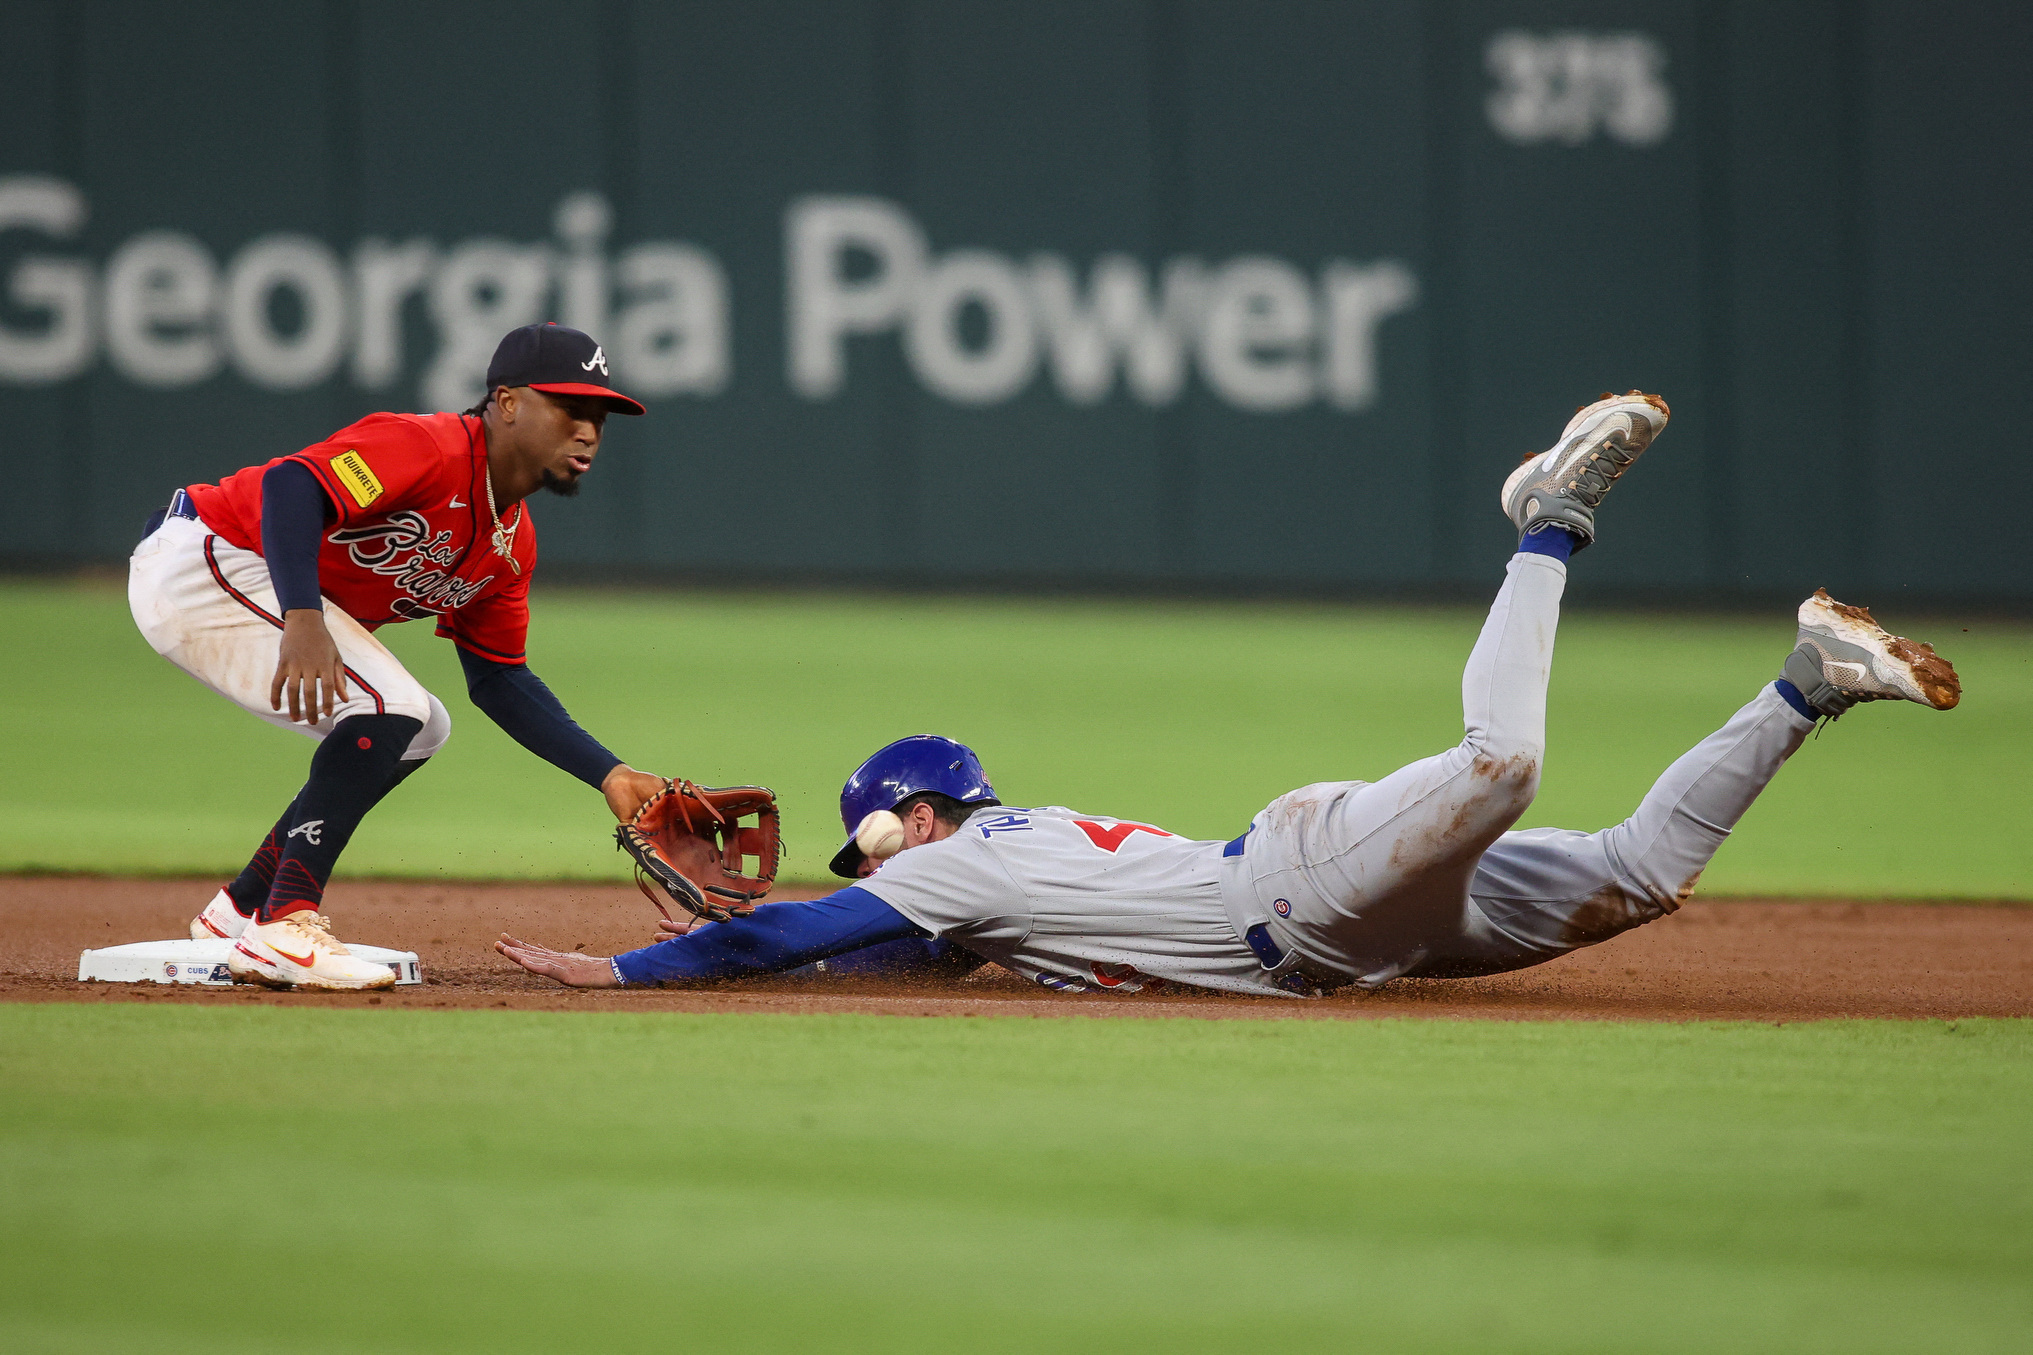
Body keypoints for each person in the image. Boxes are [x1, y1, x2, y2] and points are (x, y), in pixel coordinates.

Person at [498, 392, 1961, 997]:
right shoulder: (987, 895)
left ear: (913, 813)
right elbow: (863, 956)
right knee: (1637, 874)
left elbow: (839, 926)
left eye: (870, 835)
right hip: (1351, 931)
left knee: (1501, 761)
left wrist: (627, 970)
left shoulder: (976, 859)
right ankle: (1806, 682)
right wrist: (779, 942)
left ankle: (1548, 516)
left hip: (1310, 885)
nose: (871, 864)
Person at [132, 322, 682, 990]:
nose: (588, 430)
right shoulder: (428, 447)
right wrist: (303, 617)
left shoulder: (510, 544)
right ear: (505, 402)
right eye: (570, 408)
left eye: (599, 416)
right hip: (205, 555)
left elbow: (499, 679)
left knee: (420, 728)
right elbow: (290, 487)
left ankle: (240, 909)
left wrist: (611, 774)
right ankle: (284, 924)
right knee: (392, 705)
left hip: (255, 583)